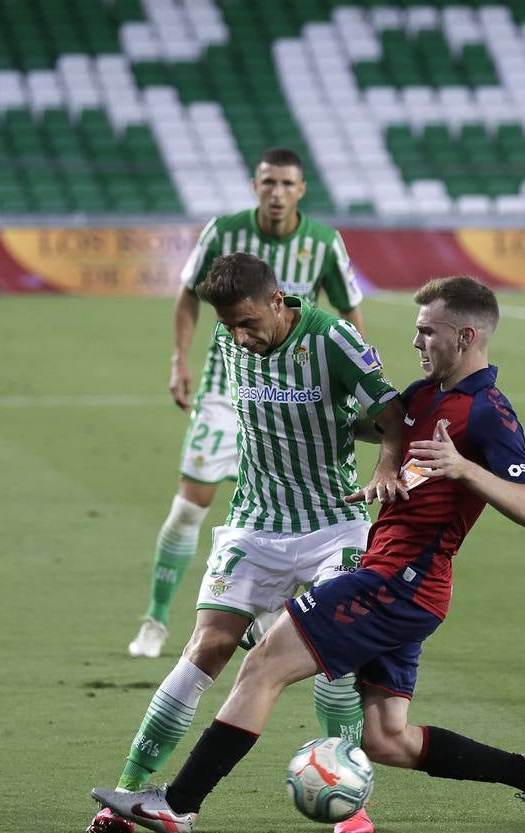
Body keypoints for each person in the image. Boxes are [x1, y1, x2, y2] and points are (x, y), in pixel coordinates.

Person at [93, 275, 525, 833]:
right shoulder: (425, 397)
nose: (416, 342)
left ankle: (177, 805)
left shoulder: (487, 411)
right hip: (408, 585)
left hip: (399, 583)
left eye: (427, 331)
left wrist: (465, 469)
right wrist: (372, 464)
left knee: (263, 665)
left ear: (466, 336)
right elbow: (387, 436)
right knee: (385, 738)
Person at [89, 253, 403, 833]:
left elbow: (391, 413)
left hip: (333, 524)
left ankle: (351, 804)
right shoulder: (231, 339)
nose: (239, 335)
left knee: (336, 663)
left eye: (248, 322)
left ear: (279, 301)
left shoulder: (332, 338)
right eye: (229, 325)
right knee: (206, 646)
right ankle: (129, 790)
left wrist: (386, 461)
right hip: (255, 524)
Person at [129, 146, 365, 659]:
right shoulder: (223, 232)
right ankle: (155, 617)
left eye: (286, 184)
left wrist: (357, 379)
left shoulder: (325, 242)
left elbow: (349, 311)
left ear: (301, 190)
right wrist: (178, 360)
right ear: (255, 186)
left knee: (287, 513)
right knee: (190, 505)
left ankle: (264, 614)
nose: (276, 193)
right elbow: (188, 293)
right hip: (225, 388)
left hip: (294, 394)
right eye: (268, 183)